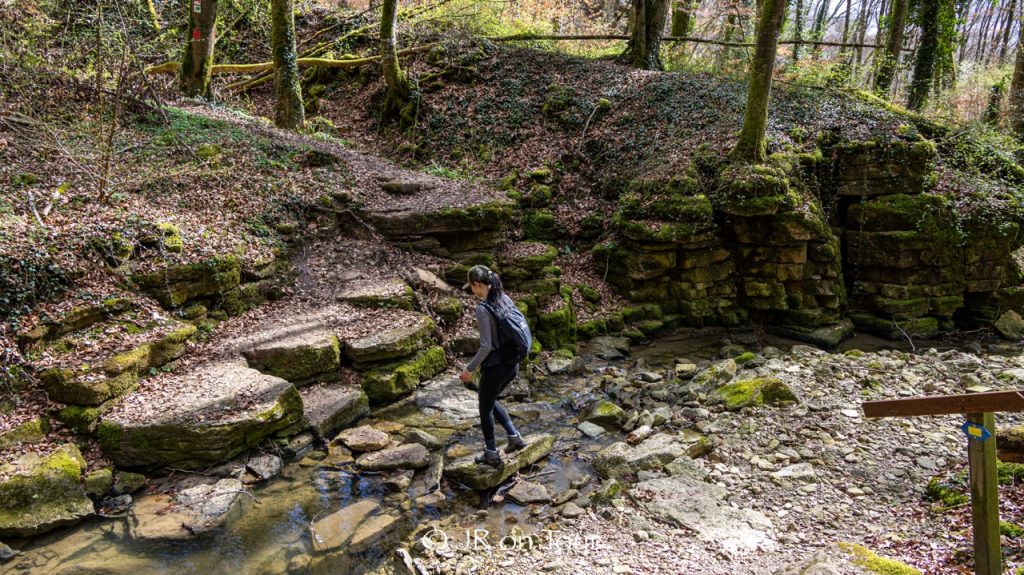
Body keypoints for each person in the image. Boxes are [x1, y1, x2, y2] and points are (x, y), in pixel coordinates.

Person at [459, 264, 528, 467]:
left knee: (484, 409)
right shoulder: (504, 298)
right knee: (490, 399)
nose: (472, 292)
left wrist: (469, 369)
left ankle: (491, 453)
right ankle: (514, 438)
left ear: (478, 284)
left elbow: (486, 346)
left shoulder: (483, 309)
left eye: (472, 287)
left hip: (496, 366)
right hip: (512, 363)